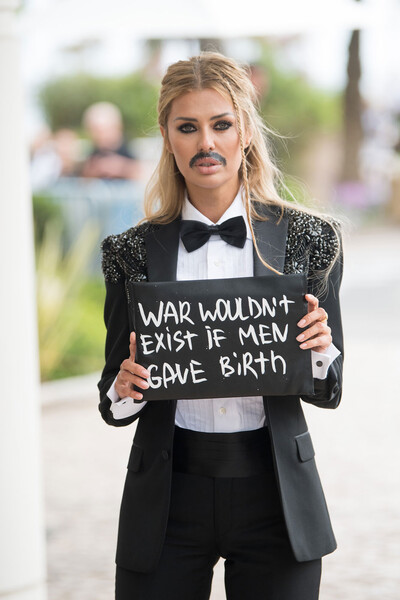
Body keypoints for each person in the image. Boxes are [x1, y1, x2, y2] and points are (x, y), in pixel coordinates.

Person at [98, 52, 343, 600]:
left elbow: (330, 389)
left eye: (222, 124)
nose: (205, 142)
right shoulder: (130, 252)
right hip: (167, 499)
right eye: (187, 127)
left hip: (276, 497)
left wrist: (320, 349)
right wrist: (124, 387)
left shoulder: (310, 240)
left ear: (245, 132)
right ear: (168, 138)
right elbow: (112, 390)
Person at [81, 102, 139, 180]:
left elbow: (143, 174)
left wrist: (124, 168)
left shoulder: (132, 148)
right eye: (95, 131)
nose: (100, 136)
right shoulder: (92, 154)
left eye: (102, 130)